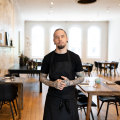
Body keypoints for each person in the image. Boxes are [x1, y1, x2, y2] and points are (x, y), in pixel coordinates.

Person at [40, 28, 84, 120]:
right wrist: (53, 84)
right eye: (57, 37)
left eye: (62, 36)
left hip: (70, 98)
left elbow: (81, 77)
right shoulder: (47, 58)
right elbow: (42, 77)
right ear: (54, 41)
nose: (60, 39)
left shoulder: (75, 57)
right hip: (53, 99)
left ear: (67, 38)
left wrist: (69, 83)